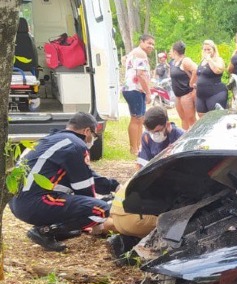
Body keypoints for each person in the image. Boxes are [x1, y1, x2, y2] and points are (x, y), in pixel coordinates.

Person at [9, 112, 118, 252]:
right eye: (94, 135)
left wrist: (113, 186)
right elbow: (84, 187)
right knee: (102, 209)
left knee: (87, 204)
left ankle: (57, 230)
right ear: (87, 131)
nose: (93, 139)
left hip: (17, 202)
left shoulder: (55, 140)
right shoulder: (77, 145)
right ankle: (45, 231)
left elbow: (85, 175)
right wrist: (98, 221)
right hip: (35, 202)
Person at [106, 107, 185, 264]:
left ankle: (126, 241)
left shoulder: (182, 138)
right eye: (150, 131)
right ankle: (138, 252)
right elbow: (140, 168)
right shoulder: (147, 138)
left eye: (157, 131)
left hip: (160, 194)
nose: (154, 135)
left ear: (167, 124)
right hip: (152, 196)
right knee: (175, 227)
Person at [123, 34, 155, 155]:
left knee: (140, 119)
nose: (151, 46)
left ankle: (138, 146)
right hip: (134, 89)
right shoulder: (140, 53)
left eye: (152, 44)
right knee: (136, 118)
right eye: (149, 43)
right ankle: (134, 148)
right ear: (141, 42)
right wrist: (148, 92)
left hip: (136, 89)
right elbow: (140, 74)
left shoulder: (135, 53)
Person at [193, 39, 227, 117]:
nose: (206, 51)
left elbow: (217, 70)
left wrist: (209, 59)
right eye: (205, 49)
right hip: (201, 94)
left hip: (215, 93)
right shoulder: (202, 61)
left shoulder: (218, 60)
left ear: (214, 50)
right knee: (202, 117)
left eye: (209, 49)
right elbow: (200, 75)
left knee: (215, 117)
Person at [169, 40, 198, 130]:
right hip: (177, 95)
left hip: (186, 93)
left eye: (170, 50)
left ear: (174, 51)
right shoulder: (173, 62)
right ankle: (184, 135)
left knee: (190, 118)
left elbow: (196, 70)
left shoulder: (185, 61)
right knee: (183, 118)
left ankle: (194, 137)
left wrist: (191, 83)